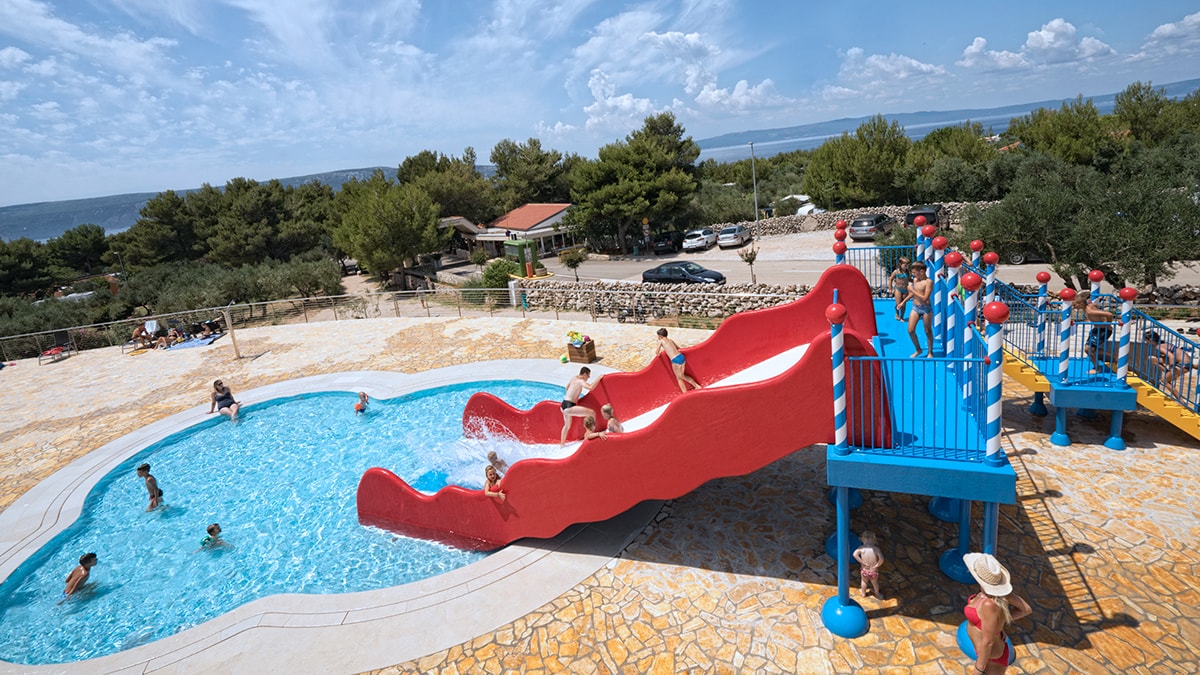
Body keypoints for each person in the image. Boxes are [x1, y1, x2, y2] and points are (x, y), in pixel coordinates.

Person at [962, 552, 1033, 675]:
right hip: (985, 651)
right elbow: (1025, 609)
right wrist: (998, 625)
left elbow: (988, 642)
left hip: (991, 656)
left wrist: (978, 669)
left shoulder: (989, 604)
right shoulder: (986, 593)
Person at [1075, 292, 1115, 373]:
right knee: (1091, 349)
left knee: (1088, 349)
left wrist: (1108, 325)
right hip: (1097, 330)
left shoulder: (1090, 311)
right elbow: (1092, 304)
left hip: (1103, 331)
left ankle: (1097, 368)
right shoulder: (1089, 306)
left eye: (1075, 305)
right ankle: (1114, 357)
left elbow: (1109, 314)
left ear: (1081, 304)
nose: (1074, 307)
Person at [560, 367, 599, 446]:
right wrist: (599, 378)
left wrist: (572, 396)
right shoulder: (581, 381)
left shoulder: (574, 378)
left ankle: (562, 445)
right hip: (570, 406)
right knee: (592, 413)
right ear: (584, 374)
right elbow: (590, 387)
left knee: (567, 426)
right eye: (588, 375)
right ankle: (590, 435)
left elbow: (567, 387)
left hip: (563, 405)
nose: (589, 377)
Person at [656, 328, 702, 393]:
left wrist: (662, 352)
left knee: (679, 378)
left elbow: (657, 353)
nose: (657, 337)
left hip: (675, 360)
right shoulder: (671, 340)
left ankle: (685, 392)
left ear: (660, 336)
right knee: (682, 376)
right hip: (681, 356)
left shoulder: (661, 341)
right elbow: (678, 348)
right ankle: (697, 386)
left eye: (658, 336)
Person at [905, 261, 933, 358]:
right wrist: (903, 302)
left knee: (927, 330)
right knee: (910, 330)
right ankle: (918, 349)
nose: (913, 275)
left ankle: (930, 352)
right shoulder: (915, 280)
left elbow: (925, 298)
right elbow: (913, 294)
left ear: (921, 271)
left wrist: (912, 290)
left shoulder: (928, 282)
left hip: (926, 308)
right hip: (916, 307)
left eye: (914, 273)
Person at [852, 530, 884, 597]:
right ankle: (877, 593)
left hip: (865, 570)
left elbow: (854, 554)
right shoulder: (876, 549)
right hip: (873, 571)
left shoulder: (861, 548)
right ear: (874, 540)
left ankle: (863, 593)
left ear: (862, 539)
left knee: (864, 582)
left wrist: (862, 561)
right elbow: (881, 559)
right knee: (875, 583)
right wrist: (877, 565)